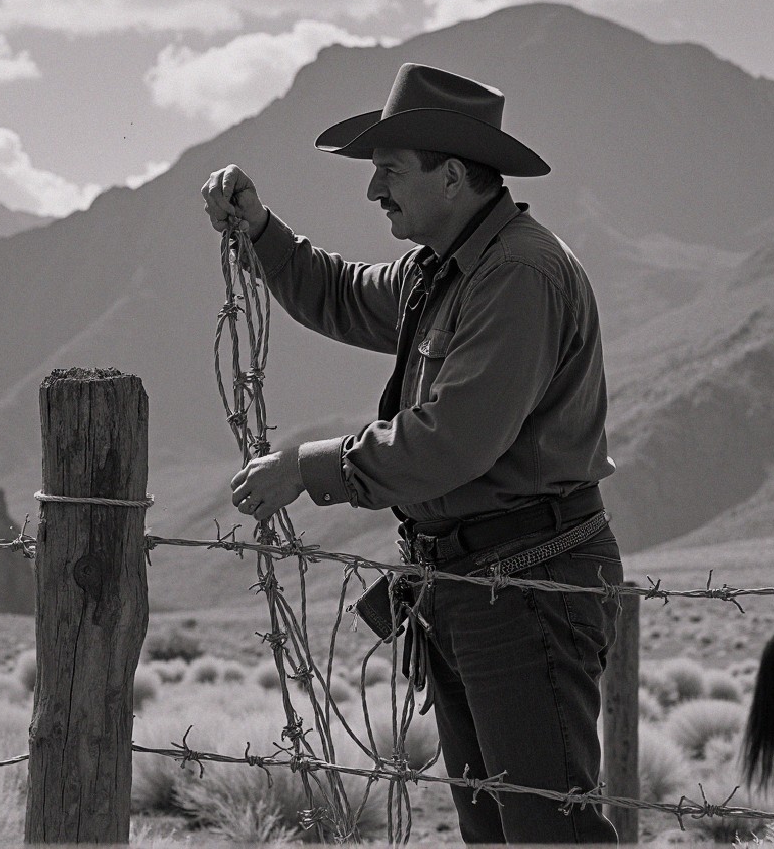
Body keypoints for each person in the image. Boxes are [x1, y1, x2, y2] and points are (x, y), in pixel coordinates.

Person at [201, 62, 622, 843]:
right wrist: (261, 230)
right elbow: (339, 292)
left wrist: (307, 467)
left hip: (526, 584)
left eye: (390, 171)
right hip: (474, 584)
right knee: (495, 828)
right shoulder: (442, 271)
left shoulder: (518, 274)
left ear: (453, 175)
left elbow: (453, 440)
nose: (374, 191)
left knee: (545, 832)